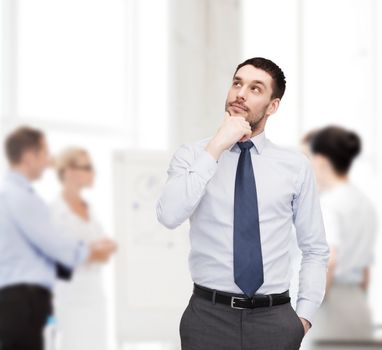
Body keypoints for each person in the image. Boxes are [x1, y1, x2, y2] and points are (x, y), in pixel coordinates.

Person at [157, 57, 329, 350]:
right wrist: (216, 147)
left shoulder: (295, 166)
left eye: (255, 88)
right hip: (207, 319)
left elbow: (314, 248)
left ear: (272, 106)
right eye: (237, 83)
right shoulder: (193, 156)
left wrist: (303, 318)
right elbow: (169, 215)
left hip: (275, 320)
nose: (240, 93)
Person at [0, 126, 116, 350]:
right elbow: (56, 246)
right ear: (28, 156)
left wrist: (91, 250)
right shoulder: (25, 199)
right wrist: (90, 251)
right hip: (40, 299)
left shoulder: (19, 195)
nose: (47, 160)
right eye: (43, 153)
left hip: (84, 298)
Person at [303, 126, 377, 343]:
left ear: (321, 160)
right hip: (358, 307)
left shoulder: (329, 204)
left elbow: (329, 260)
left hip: (331, 310)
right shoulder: (365, 203)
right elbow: (365, 274)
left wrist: (309, 308)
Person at [50, 147, 112, 350]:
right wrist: (91, 251)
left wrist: (88, 251)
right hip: (70, 300)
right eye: (87, 167)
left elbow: (106, 248)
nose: (92, 173)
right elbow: (62, 256)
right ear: (68, 172)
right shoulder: (54, 213)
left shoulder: (89, 208)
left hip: (94, 296)